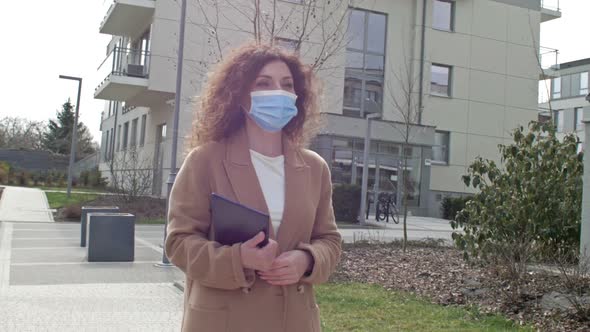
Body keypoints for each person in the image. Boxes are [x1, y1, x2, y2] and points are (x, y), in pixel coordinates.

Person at [165, 42, 342, 332]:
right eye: (264, 83)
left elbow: (330, 241)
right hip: (223, 320)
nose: (279, 92)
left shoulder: (315, 168)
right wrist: (238, 259)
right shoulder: (205, 160)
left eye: (287, 85)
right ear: (240, 95)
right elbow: (179, 243)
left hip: (293, 320)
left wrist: (307, 260)